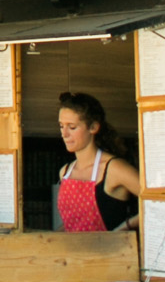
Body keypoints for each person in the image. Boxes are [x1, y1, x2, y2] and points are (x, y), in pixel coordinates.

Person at [57, 92, 140, 232]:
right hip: (73, 252)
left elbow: (158, 202)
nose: (64, 134)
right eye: (61, 126)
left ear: (93, 127)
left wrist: (125, 227)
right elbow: (73, 224)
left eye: (72, 127)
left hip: (111, 251)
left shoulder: (115, 169)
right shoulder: (65, 172)